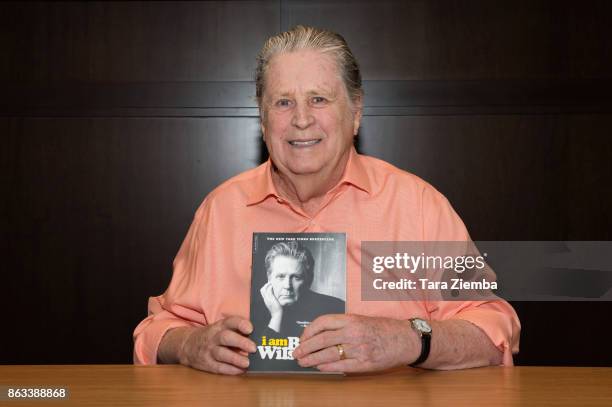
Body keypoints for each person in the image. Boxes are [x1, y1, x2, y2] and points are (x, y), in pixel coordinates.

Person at [134, 25, 520, 375]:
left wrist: (407, 339)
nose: (301, 119)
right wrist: (190, 344)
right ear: (263, 119)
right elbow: (156, 330)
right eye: (283, 102)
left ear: (355, 113)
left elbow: (492, 328)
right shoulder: (221, 210)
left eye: (319, 99)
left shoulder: (416, 205)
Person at [255, 241, 344, 337]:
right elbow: (261, 351)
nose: (287, 286)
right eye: (281, 276)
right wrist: (276, 315)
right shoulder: (254, 311)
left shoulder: (336, 308)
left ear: (309, 279)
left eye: (296, 277)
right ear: (269, 278)